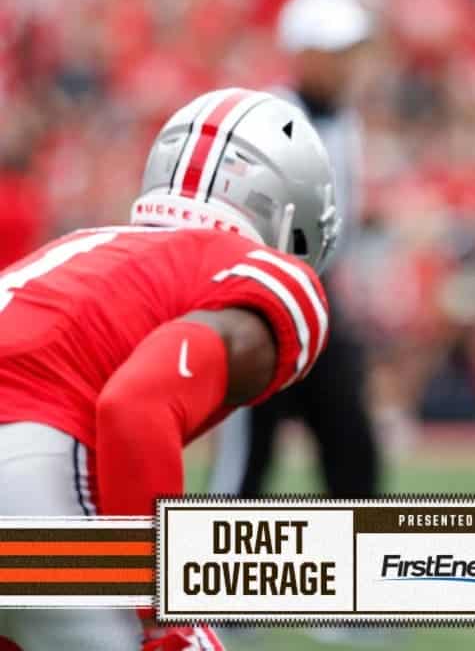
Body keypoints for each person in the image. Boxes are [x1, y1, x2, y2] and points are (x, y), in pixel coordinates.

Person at [0, 87, 339, 651]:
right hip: (29, 468)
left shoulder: (80, 248)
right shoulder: (264, 272)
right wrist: (162, 609)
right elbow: (135, 405)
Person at [210, 0, 379, 504]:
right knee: (248, 451)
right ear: (303, 55)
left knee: (352, 445)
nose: (348, 66)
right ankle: (211, 561)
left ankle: (358, 560)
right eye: (336, 54)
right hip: (264, 298)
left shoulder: (346, 120)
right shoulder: (267, 117)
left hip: (322, 298)